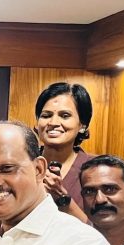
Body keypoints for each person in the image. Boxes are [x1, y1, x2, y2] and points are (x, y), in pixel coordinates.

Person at [34, 82, 95, 222]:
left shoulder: (97, 169)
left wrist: (62, 198)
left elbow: (105, 230)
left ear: (82, 125)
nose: (53, 122)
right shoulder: (24, 163)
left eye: (65, 115)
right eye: (46, 115)